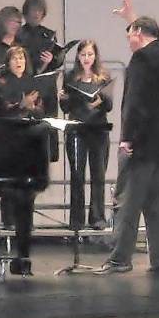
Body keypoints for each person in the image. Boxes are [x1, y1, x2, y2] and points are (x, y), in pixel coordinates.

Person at [94, 0, 159, 276]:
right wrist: (132, 18)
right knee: (158, 204)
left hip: (141, 143)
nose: (128, 40)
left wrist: (127, 138)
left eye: (129, 34)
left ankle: (120, 259)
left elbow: (135, 103)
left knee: (127, 202)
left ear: (139, 35)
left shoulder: (141, 60)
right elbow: (153, 38)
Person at [0, 46, 45, 229]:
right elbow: (0, 110)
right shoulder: (1, 82)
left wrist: (31, 108)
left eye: (21, 58)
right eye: (14, 58)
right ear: (8, 62)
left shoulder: (32, 81)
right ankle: (9, 220)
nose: (19, 62)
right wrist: (21, 105)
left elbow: (40, 109)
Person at [59, 40, 113, 231]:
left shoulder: (103, 77)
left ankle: (97, 217)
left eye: (90, 54)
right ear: (78, 56)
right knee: (77, 174)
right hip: (77, 129)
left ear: (95, 56)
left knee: (98, 174)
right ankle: (77, 219)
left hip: (98, 129)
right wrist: (63, 98)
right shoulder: (71, 76)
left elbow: (109, 105)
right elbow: (65, 108)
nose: (87, 58)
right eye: (83, 55)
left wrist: (99, 101)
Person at [17, 0, 59, 74]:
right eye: (33, 10)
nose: (36, 13)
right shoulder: (17, 34)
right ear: (26, 12)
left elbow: (57, 63)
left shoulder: (49, 35)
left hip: (43, 79)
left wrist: (50, 60)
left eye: (40, 10)